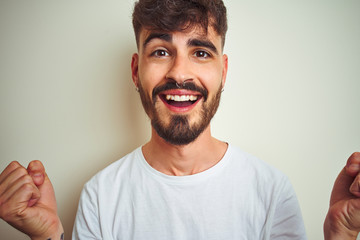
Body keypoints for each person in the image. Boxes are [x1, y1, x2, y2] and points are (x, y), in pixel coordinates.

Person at [0, 0, 359, 239]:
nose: (180, 73)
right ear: (136, 69)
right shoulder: (101, 195)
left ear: (224, 70)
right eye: (160, 51)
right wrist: (47, 236)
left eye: (200, 52)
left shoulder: (271, 192)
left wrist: (341, 237)